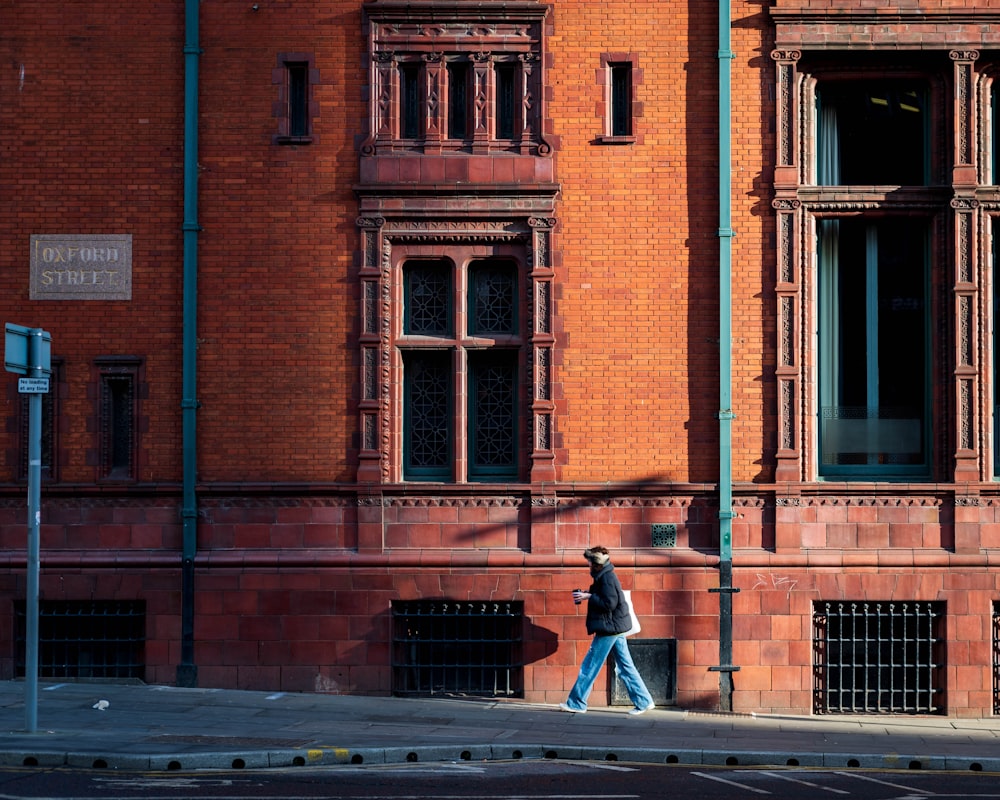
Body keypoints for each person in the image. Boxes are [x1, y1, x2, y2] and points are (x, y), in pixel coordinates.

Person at [560, 546, 655, 716]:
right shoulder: (604, 576)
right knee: (625, 666)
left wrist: (589, 597)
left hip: (609, 628)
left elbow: (609, 603)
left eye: (589, 562)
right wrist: (589, 594)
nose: (587, 564)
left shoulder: (607, 578)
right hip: (614, 628)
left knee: (590, 665)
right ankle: (644, 701)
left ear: (595, 563)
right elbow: (607, 598)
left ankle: (577, 702)